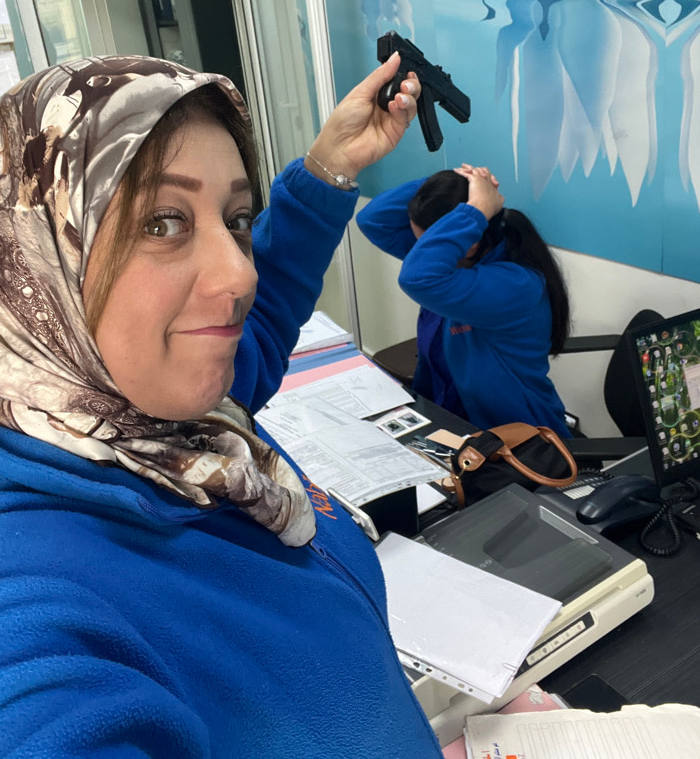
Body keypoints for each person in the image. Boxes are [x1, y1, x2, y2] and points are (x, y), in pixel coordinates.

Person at [0, 54, 444, 757]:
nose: (239, 273)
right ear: (37, 255)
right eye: (162, 223)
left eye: (237, 219)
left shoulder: (169, 418)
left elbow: (261, 313)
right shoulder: (37, 608)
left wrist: (330, 166)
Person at [356, 164, 570, 438]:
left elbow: (416, 277)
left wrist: (476, 208)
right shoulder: (457, 261)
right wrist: (458, 182)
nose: (420, 248)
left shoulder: (515, 284)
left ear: (467, 242)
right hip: (448, 415)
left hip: (512, 436)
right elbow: (373, 220)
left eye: (430, 242)